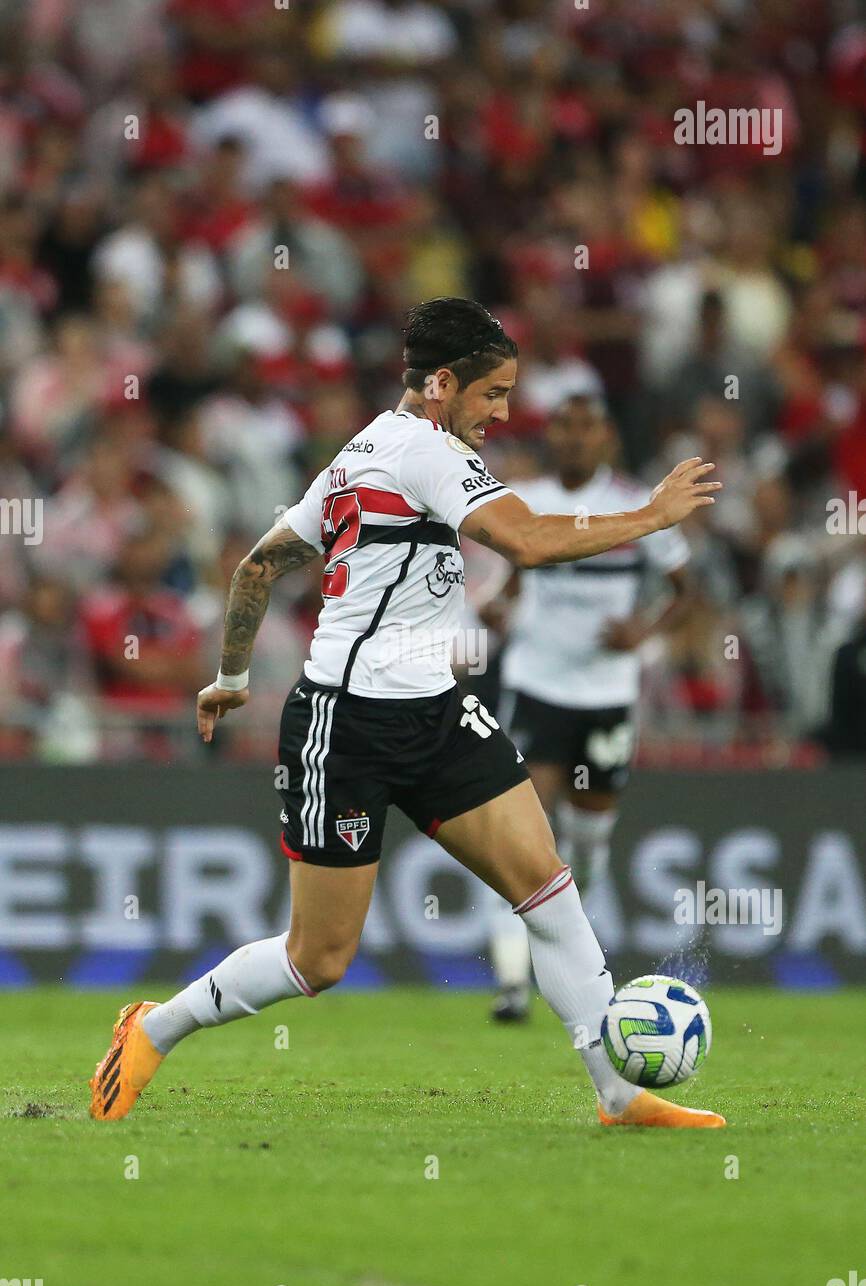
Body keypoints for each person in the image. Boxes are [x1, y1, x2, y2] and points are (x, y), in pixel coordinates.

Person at [89, 297, 724, 1129]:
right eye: (491, 395)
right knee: (319, 959)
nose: (501, 414)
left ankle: (617, 1093)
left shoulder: (363, 453)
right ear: (442, 385)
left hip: (437, 713)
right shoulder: (424, 451)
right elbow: (527, 541)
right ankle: (154, 1028)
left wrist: (232, 675)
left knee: (549, 891)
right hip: (346, 725)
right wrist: (651, 515)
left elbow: (258, 566)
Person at [481, 394, 691, 1021]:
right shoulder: (526, 498)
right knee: (524, 831)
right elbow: (516, 578)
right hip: (537, 686)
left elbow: (685, 590)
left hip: (606, 693)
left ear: (606, 437)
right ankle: (515, 984)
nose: (573, 439)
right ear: (552, 437)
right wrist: (501, 605)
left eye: (586, 428)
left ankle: (570, 946)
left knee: (589, 839)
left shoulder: (637, 505)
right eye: (563, 427)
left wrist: (644, 631)